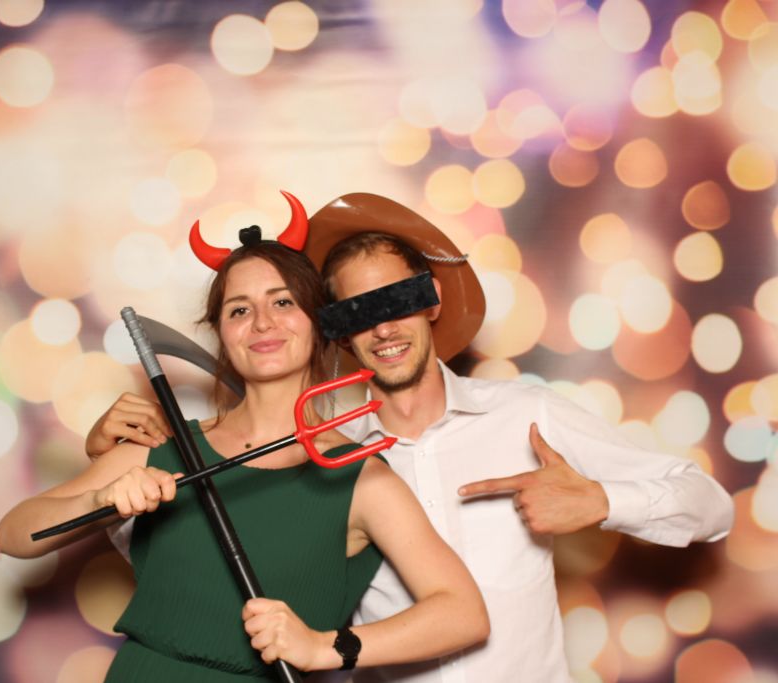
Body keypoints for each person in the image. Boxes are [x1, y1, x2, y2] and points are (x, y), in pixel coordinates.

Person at [86, 192, 735, 682]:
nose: (384, 328)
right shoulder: (320, 455)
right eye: (357, 311)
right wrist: (113, 465)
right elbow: (200, 550)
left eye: (398, 300)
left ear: (432, 302)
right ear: (334, 330)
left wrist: (602, 500)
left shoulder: (526, 414)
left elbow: (712, 506)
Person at [0, 193, 490, 682]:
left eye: (283, 302)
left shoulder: (359, 478)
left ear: (320, 324)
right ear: (221, 334)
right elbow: (14, 535)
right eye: (238, 310)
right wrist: (100, 499)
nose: (262, 323)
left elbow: (463, 614)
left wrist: (323, 647)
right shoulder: (163, 445)